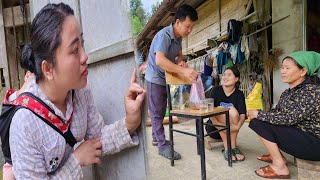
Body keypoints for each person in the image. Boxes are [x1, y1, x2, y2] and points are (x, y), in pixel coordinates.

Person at [5, 3, 145, 179]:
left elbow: (97, 138)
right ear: (48, 69)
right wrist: (76, 161)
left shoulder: (80, 91)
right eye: (74, 50)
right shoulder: (25, 124)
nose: (85, 56)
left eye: (82, 44)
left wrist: (130, 122)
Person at [247, 51, 320, 179]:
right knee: (259, 120)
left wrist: (258, 114)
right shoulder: (287, 92)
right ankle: (276, 155)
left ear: (303, 71)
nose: (282, 71)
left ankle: (280, 166)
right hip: (300, 133)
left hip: (314, 142)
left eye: (287, 68)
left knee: (258, 121)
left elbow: (288, 118)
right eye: (282, 67)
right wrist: (260, 112)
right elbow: (277, 113)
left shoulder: (312, 91)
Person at [145, 4, 198, 160]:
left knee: (161, 110)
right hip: (155, 76)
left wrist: (181, 62)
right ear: (177, 23)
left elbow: (179, 56)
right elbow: (160, 60)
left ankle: (157, 138)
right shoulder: (164, 36)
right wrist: (184, 71)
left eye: (192, 27)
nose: (189, 30)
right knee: (156, 112)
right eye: (187, 26)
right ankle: (162, 146)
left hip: (166, 77)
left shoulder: (179, 38)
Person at [207, 66, 246, 162]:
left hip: (232, 128)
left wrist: (238, 126)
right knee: (222, 109)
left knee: (233, 112)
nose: (225, 77)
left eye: (229, 75)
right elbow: (209, 112)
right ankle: (228, 148)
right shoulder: (215, 90)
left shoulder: (239, 94)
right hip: (214, 128)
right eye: (224, 75)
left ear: (236, 79)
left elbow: (242, 114)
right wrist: (219, 125)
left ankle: (233, 146)